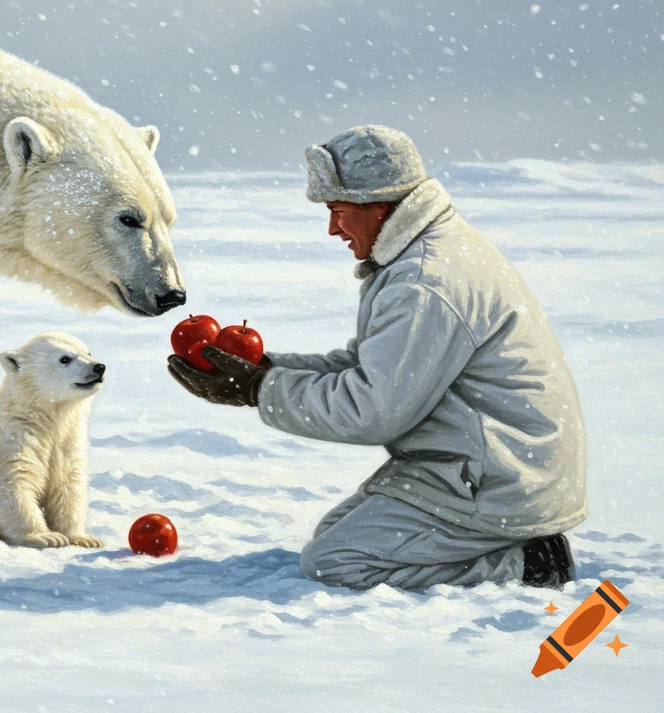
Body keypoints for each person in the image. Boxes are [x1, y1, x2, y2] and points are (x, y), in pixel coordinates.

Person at [168, 125, 587, 591]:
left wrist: (258, 390)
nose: (332, 229)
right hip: (486, 464)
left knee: (336, 562)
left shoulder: (425, 281)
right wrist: (267, 371)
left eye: (339, 211)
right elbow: (369, 367)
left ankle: (528, 565)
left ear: (380, 205)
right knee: (332, 535)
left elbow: (373, 410)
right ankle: (503, 545)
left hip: (499, 481)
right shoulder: (423, 254)